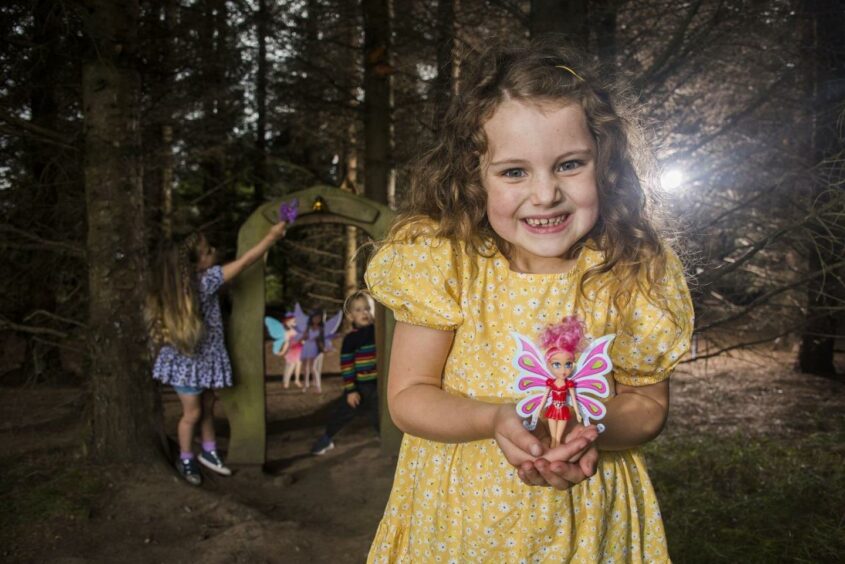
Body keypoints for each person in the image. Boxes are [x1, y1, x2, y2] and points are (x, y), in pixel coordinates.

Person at [364, 41, 694, 562]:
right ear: (474, 177)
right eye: (514, 172)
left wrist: (589, 431)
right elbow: (409, 396)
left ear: (604, 164)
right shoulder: (446, 262)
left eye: (569, 164)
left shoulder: (631, 271)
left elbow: (648, 407)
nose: (545, 195)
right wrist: (493, 419)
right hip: (460, 522)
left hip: (587, 523)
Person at [145, 222, 287, 486]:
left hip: (204, 361)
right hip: (187, 365)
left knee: (208, 406)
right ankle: (187, 457)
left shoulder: (182, 287)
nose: (214, 252)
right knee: (192, 414)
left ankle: (209, 451)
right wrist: (271, 237)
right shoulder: (204, 282)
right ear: (197, 263)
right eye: (208, 250)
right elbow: (245, 261)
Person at [311, 290, 379, 455]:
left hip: (378, 384)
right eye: (358, 310)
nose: (364, 313)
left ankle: (389, 444)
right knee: (343, 412)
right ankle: (327, 438)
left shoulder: (377, 332)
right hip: (360, 386)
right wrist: (351, 390)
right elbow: (347, 365)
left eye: (367, 309)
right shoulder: (351, 339)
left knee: (380, 415)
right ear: (350, 317)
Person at [279, 312, 303, 389]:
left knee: (299, 364)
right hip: (292, 350)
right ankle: (286, 381)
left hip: (299, 349)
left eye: (295, 321)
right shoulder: (286, 332)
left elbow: (300, 339)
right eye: (293, 321)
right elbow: (286, 343)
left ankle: (297, 380)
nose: (294, 322)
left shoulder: (295, 330)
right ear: (287, 322)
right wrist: (283, 351)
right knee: (291, 365)